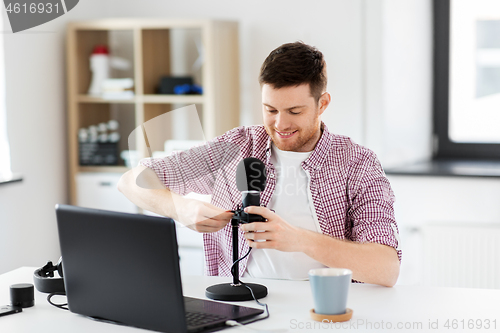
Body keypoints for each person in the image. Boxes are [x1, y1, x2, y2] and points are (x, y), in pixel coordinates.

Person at [118, 42, 401, 287]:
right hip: (244, 304)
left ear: (322, 103)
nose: (280, 124)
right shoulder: (238, 145)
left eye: (295, 111)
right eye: (271, 110)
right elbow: (132, 180)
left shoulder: (357, 163)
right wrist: (181, 208)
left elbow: (386, 269)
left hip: (325, 308)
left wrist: (300, 240)